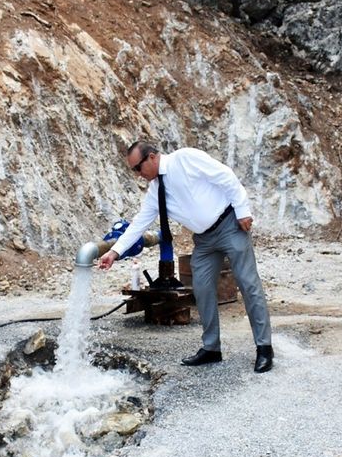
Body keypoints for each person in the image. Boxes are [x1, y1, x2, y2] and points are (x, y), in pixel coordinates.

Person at [98, 141, 273, 372]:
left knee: (248, 284)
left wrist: (243, 210)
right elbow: (139, 224)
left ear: (151, 157)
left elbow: (226, 177)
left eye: (137, 168)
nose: (138, 175)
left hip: (230, 225)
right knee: (200, 288)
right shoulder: (154, 192)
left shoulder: (186, 159)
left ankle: (264, 348)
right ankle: (211, 348)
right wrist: (114, 252)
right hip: (204, 240)